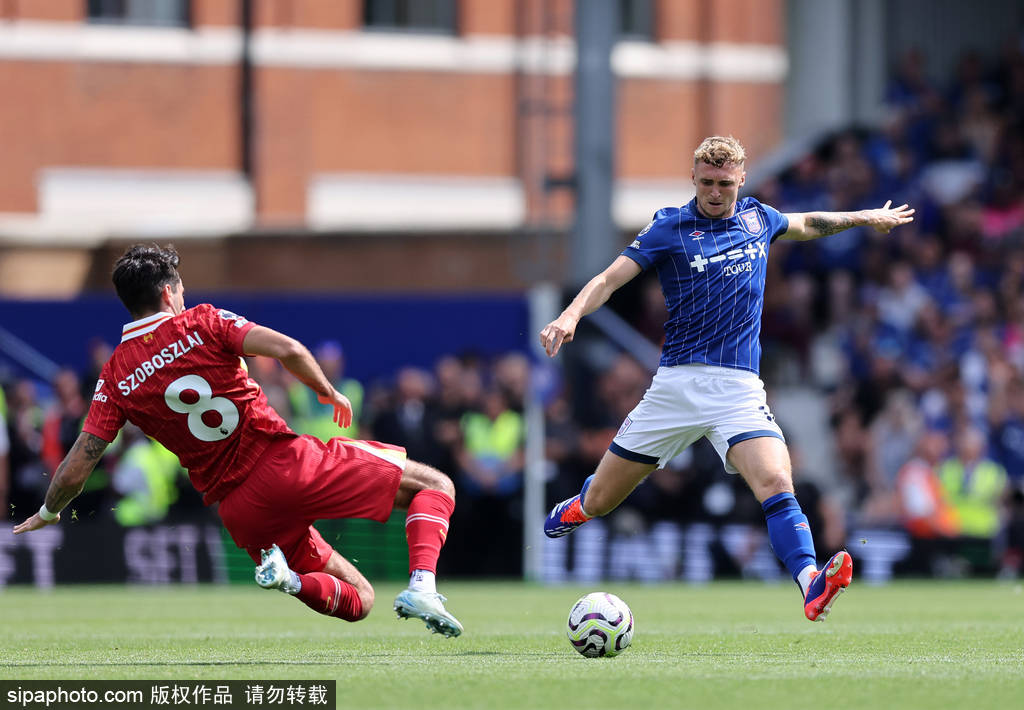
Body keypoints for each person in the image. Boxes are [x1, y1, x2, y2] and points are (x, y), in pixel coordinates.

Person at [541, 136, 915, 622]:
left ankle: (810, 584)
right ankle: (580, 508)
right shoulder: (669, 227)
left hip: (738, 389)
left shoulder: (759, 218)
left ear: (741, 180)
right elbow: (610, 279)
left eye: (725, 184)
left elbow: (807, 223)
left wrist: (865, 217)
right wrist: (570, 315)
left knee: (777, 479)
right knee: (604, 498)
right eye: (707, 183)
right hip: (676, 387)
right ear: (693, 179)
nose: (716, 192)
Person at [13, 244, 462, 637]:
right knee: (435, 486)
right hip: (284, 464)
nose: (184, 296)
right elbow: (288, 349)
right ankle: (423, 586)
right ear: (168, 293)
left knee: (359, 599)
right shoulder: (201, 322)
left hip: (239, 511)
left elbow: (80, 460)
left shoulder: (115, 375)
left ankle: (289, 580)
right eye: (181, 289)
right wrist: (326, 390)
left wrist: (49, 511)